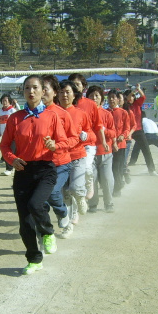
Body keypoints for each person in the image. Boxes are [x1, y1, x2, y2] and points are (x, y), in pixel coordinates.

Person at [0, 75, 68, 275]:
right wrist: (12, 159)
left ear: (42, 91)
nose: (31, 91)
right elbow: (4, 145)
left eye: (35, 87)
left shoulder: (52, 116)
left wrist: (54, 145)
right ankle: (34, 259)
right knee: (25, 222)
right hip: (22, 171)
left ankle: (48, 231)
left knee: (35, 204)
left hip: (45, 169)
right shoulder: (15, 118)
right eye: (27, 88)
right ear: (23, 91)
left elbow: (63, 142)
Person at [41, 75, 79, 232]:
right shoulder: (31, 113)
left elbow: (74, 138)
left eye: (45, 89)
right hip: (40, 164)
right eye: (38, 88)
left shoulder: (62, 114)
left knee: (54, 192)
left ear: (55, 92)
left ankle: (64, 214)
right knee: (40, 200)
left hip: (60, 163)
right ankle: (45, 232)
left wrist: (57, 146)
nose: (41, 92)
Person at [68, 73, 106, 199]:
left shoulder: (90, 104)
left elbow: (98, 125)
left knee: (88, 168)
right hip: (70, 146)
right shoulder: (65, 103)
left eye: (77, 84)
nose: (75, 86)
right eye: (72, 84)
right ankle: (75, 208)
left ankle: (89, 185)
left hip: (88, 144)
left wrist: (104, 142)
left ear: (84, 87)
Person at [57, 80, 89, 228]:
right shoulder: (53, 113)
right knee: (65, 194)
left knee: (75, 188)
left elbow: (91, 134)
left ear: (74, 94)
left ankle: (81, 196)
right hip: (61, 158)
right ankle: (69, 223)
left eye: (67, 92)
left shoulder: (81, 113)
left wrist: (85, 136)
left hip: (77, 156)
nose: (64, 95)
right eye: (62, 92)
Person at [86, 85, 116, 213]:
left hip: (105, 152)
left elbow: (113, 132)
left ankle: (109, 203)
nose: (94, 98)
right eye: (91, 95)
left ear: (101, 99)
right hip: (89, 153)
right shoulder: (84, 114)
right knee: (92, 179)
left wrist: (104, 130)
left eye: (97, 95)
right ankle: (93, 204)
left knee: (107, 179)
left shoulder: (107, 114)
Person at [126, 85, 157, 176]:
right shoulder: (125, 106)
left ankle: (152, 169)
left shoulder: (137, 103)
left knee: (146, 149)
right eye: (130, 96)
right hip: (128, 131)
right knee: (124, 151)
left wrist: (138, 89)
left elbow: (143, 96)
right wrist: (132, 91)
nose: (131, 98)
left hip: (138, 130)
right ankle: (123, 170)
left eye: (133, 96)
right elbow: (127, 98)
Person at [107, 89, 130, 197]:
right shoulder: (105, 112)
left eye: (113, 97)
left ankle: (117, 188)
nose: (111, 99)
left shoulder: (123, 112)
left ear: (117, 99)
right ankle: (113, 185)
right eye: (109, 97)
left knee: (117, 167)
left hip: (120, 145)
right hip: (108, 145)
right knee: (109, 168)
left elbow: (127, 128)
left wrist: (123, 136)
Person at [0, 94, 17, 176]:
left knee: (11, 151)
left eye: (5, 101)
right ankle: (10, 168)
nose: (4, 102)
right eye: (3, 101)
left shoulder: (12, 111)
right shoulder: (1, 111)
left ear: (9, 101)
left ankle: (10, 169)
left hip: (13, 135)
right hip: (4, 135)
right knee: (7, 151)